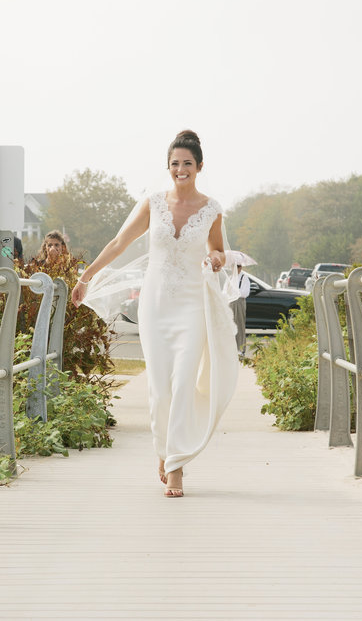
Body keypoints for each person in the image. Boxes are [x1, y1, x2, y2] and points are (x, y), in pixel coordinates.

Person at [71, 129, 239, 498]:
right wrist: (86, 276)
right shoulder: (153, 203)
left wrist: (215, 257)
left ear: (199, 167)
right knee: (159, 387)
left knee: (182, 383)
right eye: (175, 163)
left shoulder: (212, 209)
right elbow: (119, 242)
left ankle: (176, 465)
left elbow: (219, 252)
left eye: (188, 164)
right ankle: (162, 450)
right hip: (156, 304)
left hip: (193, 305)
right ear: (168, 167)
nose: (181, 169)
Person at [229, 263, 251, 356]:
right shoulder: (230, 277)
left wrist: (235, 291)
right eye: (233, 266)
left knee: (240, 325)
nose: (235, 269)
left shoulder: (244, 278)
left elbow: (245, 292)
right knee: (230, 325)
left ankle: (241, 349)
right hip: (230, 302)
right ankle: (231, 348)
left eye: (237, 267)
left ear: (240, 267)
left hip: (239, 302)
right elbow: (225, 289)